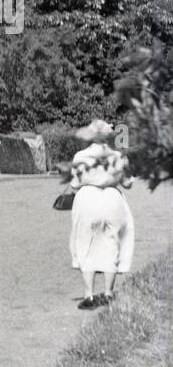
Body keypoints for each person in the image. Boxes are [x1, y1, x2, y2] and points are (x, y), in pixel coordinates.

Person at [66, 120, 134, 309]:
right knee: (111, 243)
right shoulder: (118, 156)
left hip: (86, 198)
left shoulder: (80, 155)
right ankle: (108, 293)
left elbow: (74, 185)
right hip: (112, 198)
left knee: (85, 244)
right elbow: (128, 183)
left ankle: (89, 296)